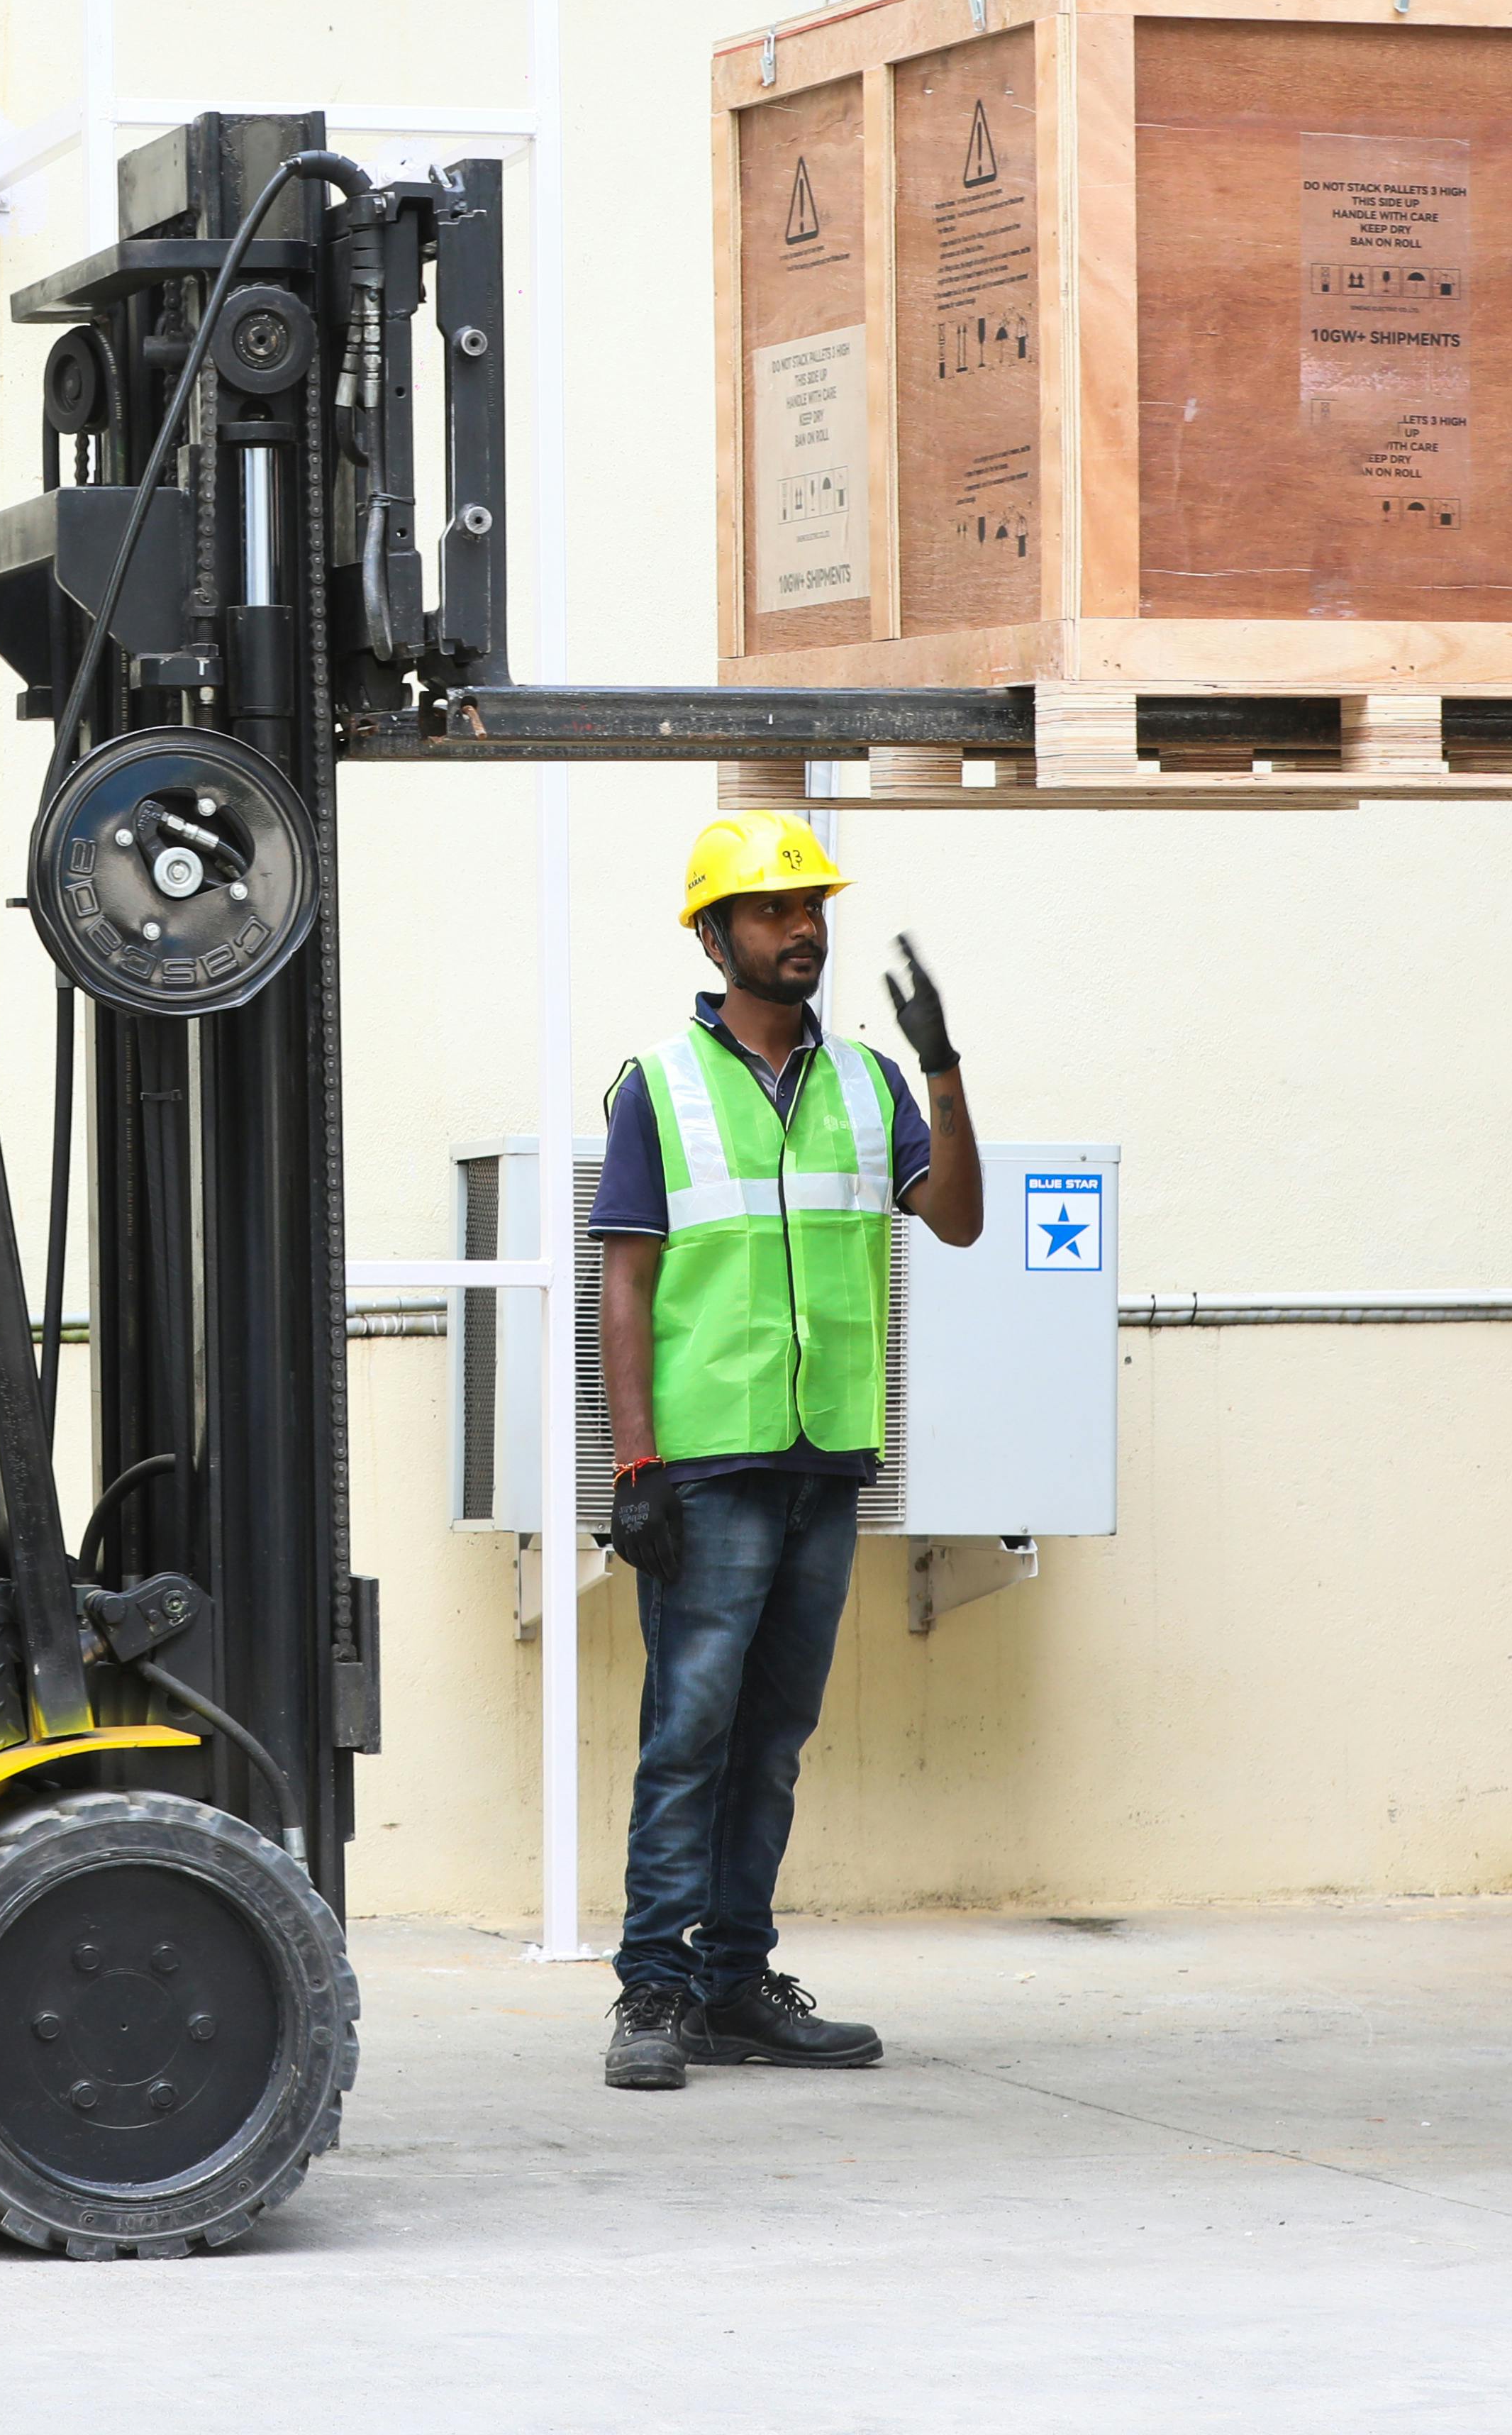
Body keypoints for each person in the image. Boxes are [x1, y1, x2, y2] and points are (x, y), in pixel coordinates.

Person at [587, 811, 984, 2093]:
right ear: (713, 935)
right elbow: (626, 1284)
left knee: (772, 1738)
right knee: (690, 1729)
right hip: (706, 1464)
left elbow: (961, 1223)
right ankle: (652, 1991)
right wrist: (633, 1465)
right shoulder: (658, 1083)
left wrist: (945, 1068)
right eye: (771, 909)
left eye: (811, 906)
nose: (802, 927)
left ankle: (734, 1984)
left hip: (825, 1458)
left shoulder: (871, 1082)